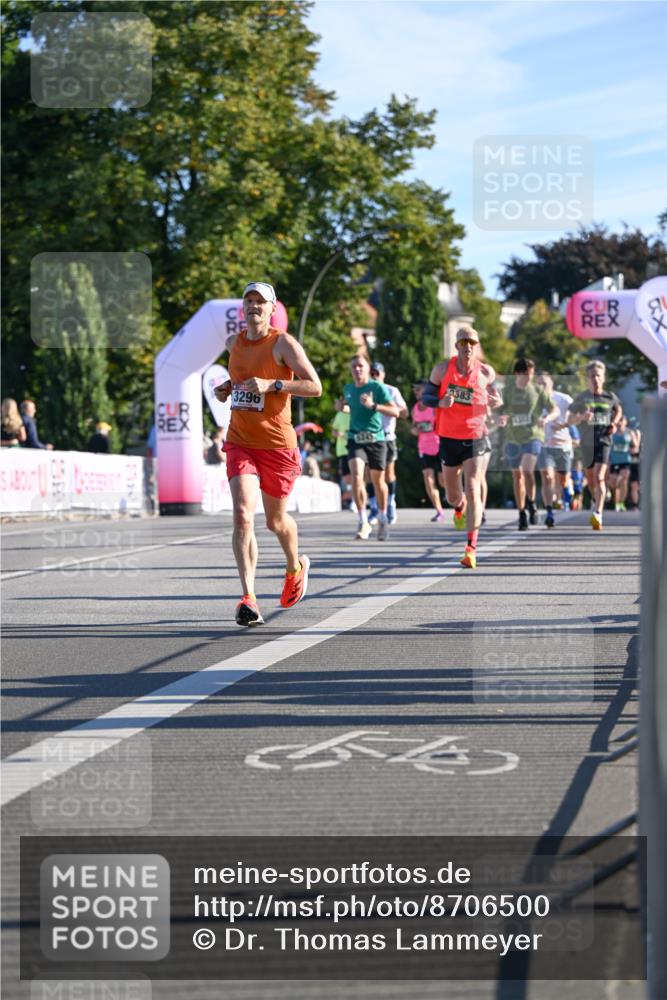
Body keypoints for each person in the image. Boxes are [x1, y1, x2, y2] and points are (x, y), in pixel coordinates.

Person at [214, 281, 322, 626]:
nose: (254, 306)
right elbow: (240, 382)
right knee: (242, 515)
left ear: (272, 308)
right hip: (240, 441)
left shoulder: (283, 344)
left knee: (275, 521)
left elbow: (315, 386)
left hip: (277, 445)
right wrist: (227, 388)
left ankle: (295, 566)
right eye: (249, 301)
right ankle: (248, 598)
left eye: (260, 302)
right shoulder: (233, 343)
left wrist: (274, 384)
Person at [422, 325, 501, 568]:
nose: (468, 346)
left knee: (473, 486)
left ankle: (471, 548)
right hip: (448, 436)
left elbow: (496, 397)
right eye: (463, 342)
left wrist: (497, 402)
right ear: (456, 345)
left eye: (472, 342)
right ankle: (459, 507)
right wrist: (440, 402)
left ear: (477, 346)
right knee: (452, 494)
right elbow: (426, 397)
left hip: (476, 435)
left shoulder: (486, 372)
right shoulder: (442, 370)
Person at [343, 355, 400, 541]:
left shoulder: (377, 388)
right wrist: (341, 407)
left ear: (367, 368)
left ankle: (382, 518)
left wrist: (373, 405)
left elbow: (395, 411)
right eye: (354, 366)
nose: (357, 369)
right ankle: (363, 520)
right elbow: (350, 407)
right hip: (355, 438)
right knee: (356, 476)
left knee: (378, 481)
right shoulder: (348, 389)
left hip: (377, 439)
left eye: (360, 366)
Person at [499, 359, 557, 531]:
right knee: (517, 476)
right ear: (517, 374)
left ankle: (531, 503)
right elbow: (499, 410)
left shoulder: (538, 390)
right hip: (513, 438)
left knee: (526, 471)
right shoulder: (508, 391)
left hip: (533, 436)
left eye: (531, 374)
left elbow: (555, 409)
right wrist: (501, 418)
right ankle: (523, 512)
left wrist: (546, 418)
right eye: (526, 374)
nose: (529, 378)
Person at [567, 360, 622, 531]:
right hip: (587, 442)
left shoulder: (610, 397)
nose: (595, 379)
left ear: (603, 378)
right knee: (590, 480)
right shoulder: (581, 398)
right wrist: (581, 417)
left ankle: (598, 513)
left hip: (604, 441)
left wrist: (614, 423)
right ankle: (594, 499)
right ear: (587, 379)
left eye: (598, 376)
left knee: (599, 477)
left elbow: (618, 410)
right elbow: (570, 419)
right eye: (592, 376)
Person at [368, 361, 408, 525]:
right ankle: (373, 507)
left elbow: (404, 413)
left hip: (387, 436)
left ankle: (390, 503)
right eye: (371, 373)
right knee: (369, 475)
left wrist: (385, 407)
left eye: (377, 373)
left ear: (383, 375)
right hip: (370, 437)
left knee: (389, 474)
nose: (374, 376)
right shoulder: (365, 391)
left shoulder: (392, 391)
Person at [536, 372, 573, 528]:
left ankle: (567, 490)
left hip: (563, 445)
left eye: (544, 383)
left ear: (552, 383)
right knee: (547, 477)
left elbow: (576, 415)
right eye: (538, 384)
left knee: (562, 480)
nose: (541, 386)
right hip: (544, 445)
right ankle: (549, 512)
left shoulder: (563, 399)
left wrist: (565, 424)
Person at [410, 380, 445, 521]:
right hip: (424, 448)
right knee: (428, 480)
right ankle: (439, 511)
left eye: (419, 389)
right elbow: (413, 428)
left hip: (439, 446)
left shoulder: (434, 406)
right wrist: (415, 430)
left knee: (443, 481)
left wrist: (433, 427)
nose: (416, 392)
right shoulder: (415, 409)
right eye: (415, 389)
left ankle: (461, 503)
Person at [331, 397, 352, 510]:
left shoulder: (355, 414)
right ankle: (351, 498)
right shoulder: (339, 415)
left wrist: (345, 435)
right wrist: (337, 434)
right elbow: (333, 430)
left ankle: (355, 499)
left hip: (354, 448)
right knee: (346, 477)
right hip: (342, 450)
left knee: (357, 475)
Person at [608, 415, 632, 511]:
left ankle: (621, 503)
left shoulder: (629, 433)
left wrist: (633, 439)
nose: (620, 422)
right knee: (614, 484)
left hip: (625, 461)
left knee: (624, 481)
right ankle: (616, 503)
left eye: (622, 420)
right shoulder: (612, 433)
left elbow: (635, 446)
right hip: (614, 461)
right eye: (619, 420)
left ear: (626, 422)